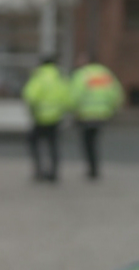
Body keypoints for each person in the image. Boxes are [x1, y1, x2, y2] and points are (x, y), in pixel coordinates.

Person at [70, 52, 124, 180]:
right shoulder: (105, 74)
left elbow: (75, 95)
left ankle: (92, 168)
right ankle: (95, 167)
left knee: (87, 142)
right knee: (94, 141)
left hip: (86, 114)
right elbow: (116, 93)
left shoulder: (82, 74)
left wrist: (73, 109)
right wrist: (112, 109)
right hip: (102, 114)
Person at [22, 54, 71, 183]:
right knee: (53, 145)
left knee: (34, 142)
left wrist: (33, 109)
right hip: (56, 117)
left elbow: (30, 95)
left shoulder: (39, 75)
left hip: (40, 117)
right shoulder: (60, 76)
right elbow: (67, 96)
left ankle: (39, 170)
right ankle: (54, 172)